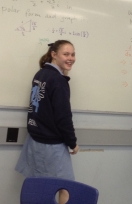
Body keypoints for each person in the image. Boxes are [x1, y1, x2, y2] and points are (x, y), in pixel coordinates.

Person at [15, 40, 79, 204]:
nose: (70, 58)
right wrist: (72, 143)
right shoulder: (58, 80)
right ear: (54, 54)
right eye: (66, 54)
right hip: (50, 145)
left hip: (36, 140)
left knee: (41, 185)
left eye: (72, 54)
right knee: (66, 188)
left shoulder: (41, 74)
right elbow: (63, 117)